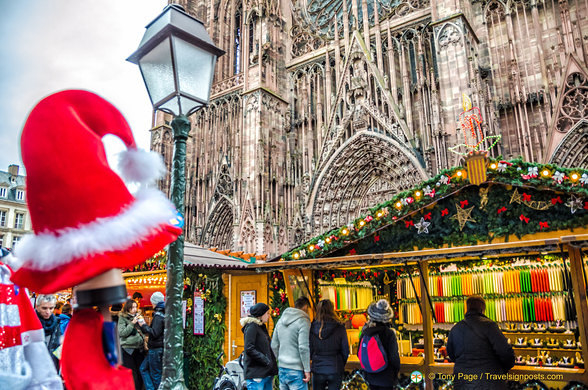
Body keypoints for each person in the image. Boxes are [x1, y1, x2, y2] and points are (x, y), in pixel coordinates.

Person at [446, 296, 515, 390]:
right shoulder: (490, 326)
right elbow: (506, 353)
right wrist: (503, 369)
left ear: (467, 309)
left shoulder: (456, 328)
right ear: (482, 310)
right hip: (489, 382)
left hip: (463, 382)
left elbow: (451, 354)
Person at [271, 296, 312, 390]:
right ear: (306, 308)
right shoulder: (303, 321)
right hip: (296, 370)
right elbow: (303, 347)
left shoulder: (280, 321)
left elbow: (274, 345)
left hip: (282, 368)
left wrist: (274, 364)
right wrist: (307, 370)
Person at [359, 299, 400, 390]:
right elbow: (394, 356)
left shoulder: (365, 332)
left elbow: (360, 352)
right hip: (386, 376)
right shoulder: (389, 333)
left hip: (370, 375)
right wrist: (395, 371)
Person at [310, 299, 349, 390]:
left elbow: (310, 349)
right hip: (335, 367)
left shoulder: (312, 327)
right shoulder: (340, 327)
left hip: (318, 369)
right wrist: (340, 364)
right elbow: (345, 350)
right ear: (332, 310)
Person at [240, 302, 278, 390]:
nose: (269, 316)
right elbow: (249, 348)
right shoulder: (252, 327)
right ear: (260, 314)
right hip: (256, 374)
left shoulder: (261, 327)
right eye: (267, 313)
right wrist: (265, 360)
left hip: (266, 373)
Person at [139, 291, 165, 390]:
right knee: (143, 368)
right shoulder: (163, 313)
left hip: (156, 349)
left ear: (155, 302)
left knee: (156, 375)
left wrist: (143, 325)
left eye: (152, 302)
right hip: (157, 348)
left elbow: (154, 333)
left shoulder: (158, 315)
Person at [118, 298, 145, 390]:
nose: (135, 309)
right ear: (127, 308)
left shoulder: (138, 316)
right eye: (132, 307)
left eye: (136, 307)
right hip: (128, 349)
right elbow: (122, 333)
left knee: (140, 371)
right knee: (132, 373)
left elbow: (144, 331)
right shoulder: (122, 318)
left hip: (139, 348)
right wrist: (132, 323)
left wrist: (143, 324)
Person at [35, 294, 62, 370]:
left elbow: (59, 347)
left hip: (50, 366)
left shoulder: (56, 323)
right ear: (37, 307)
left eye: (51, 308)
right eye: (44, 308)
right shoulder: (29, 322)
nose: (48, 312)